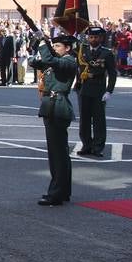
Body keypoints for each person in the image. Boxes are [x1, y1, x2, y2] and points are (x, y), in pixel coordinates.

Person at [29, 31, 78, 206]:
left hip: (58, 106)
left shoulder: (68, 61)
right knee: (59, 153)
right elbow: (33, 62)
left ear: (68, 48)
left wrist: (44, 44)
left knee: (57, 153)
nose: (55, 48)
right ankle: (63, 190)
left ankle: (56, 193)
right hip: (51, 105)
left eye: (58, 46)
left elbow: (51, 61)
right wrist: (38, 45)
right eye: (54, 45)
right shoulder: (55, 60)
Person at [74, 26, 116, 158]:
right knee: (84, 119)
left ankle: (98, 147)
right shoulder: (83, 51)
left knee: (98, 120)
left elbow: (112, 73)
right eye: (91, 37)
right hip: (84, 88)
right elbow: (78, 69)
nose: (93, 39)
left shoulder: (106, 53)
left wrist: (109, 91)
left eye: (96, 37)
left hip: (98, 89)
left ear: (101, 38)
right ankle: (86, 145)